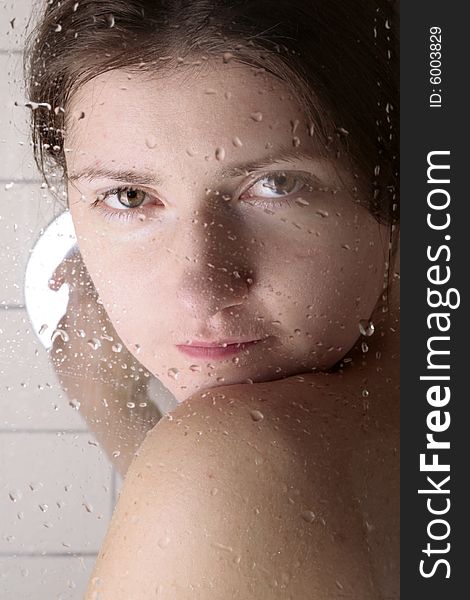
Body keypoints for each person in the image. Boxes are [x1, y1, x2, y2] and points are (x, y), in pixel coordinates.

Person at [24, 0, 399, 597]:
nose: (201, 282)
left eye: (275, 185)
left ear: (398, 187)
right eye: (127, 196)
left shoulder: (232, 465)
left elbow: (241, 502)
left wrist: (119, 414)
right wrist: (116, 412)